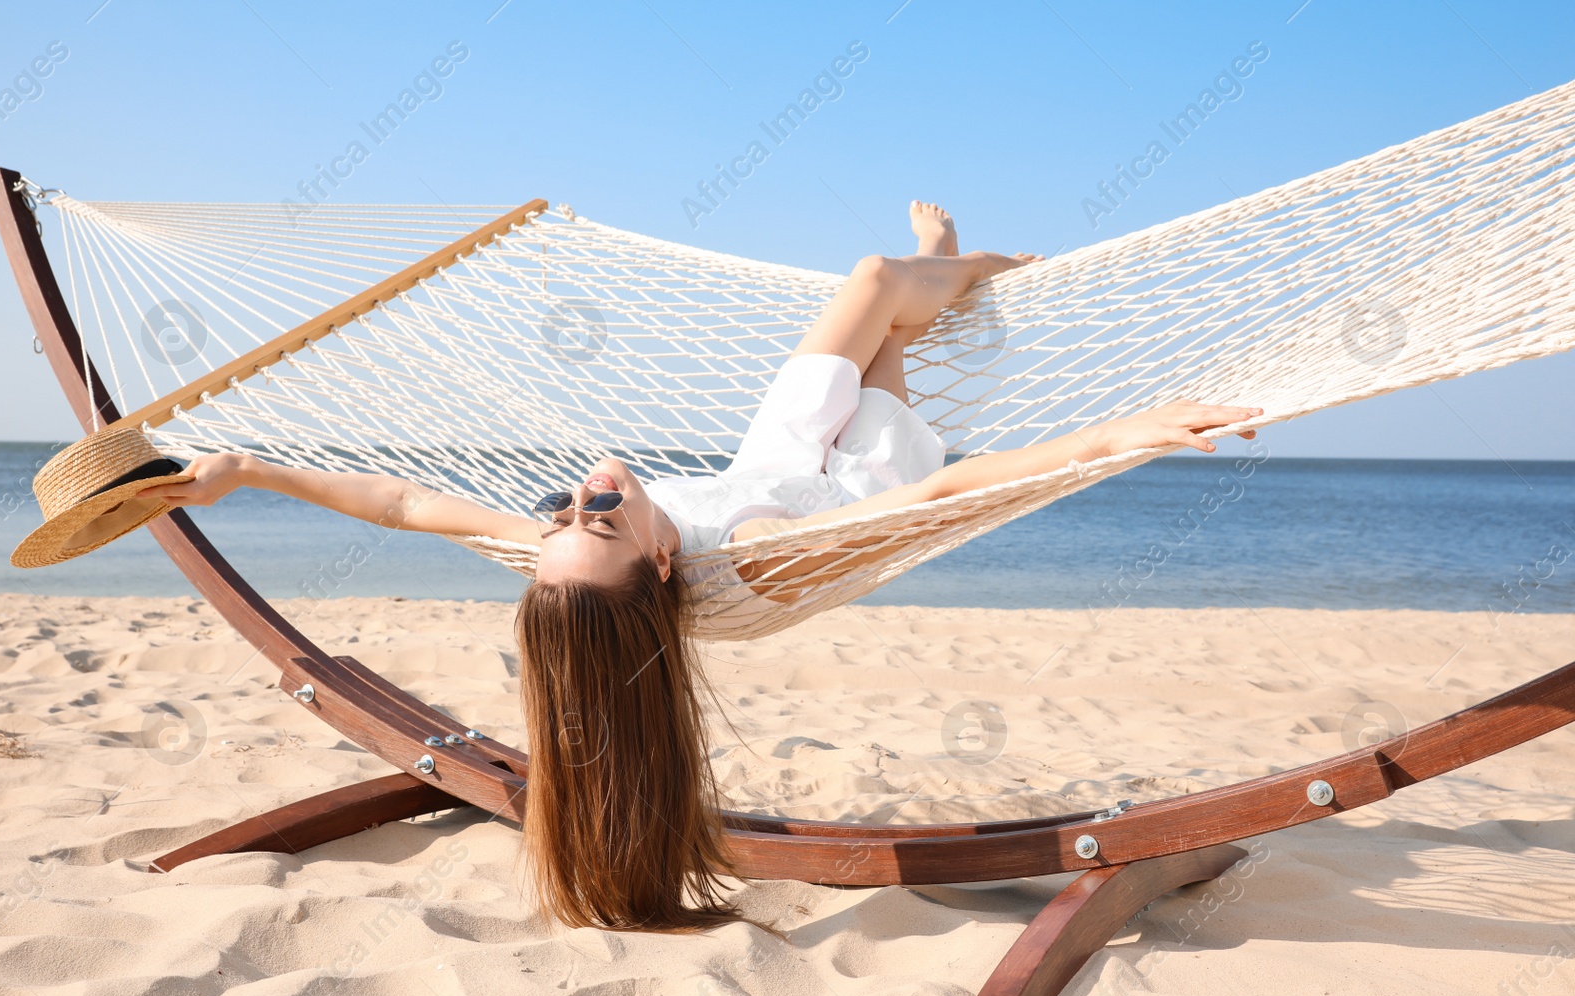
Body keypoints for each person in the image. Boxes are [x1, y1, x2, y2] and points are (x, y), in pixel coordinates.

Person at [137, 201, 1262, 932]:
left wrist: (251, 468)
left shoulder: (573, 560)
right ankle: (977, 269)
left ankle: (954, 262)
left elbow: (401, 501)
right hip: (856, 490)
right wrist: (1106, 436)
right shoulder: (755, 561)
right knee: (890, 329)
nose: (586, 494)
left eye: (566, 510)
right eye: (605, 514)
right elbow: (936, 497)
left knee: (875, 275)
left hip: (772, 455)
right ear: (664, 560)